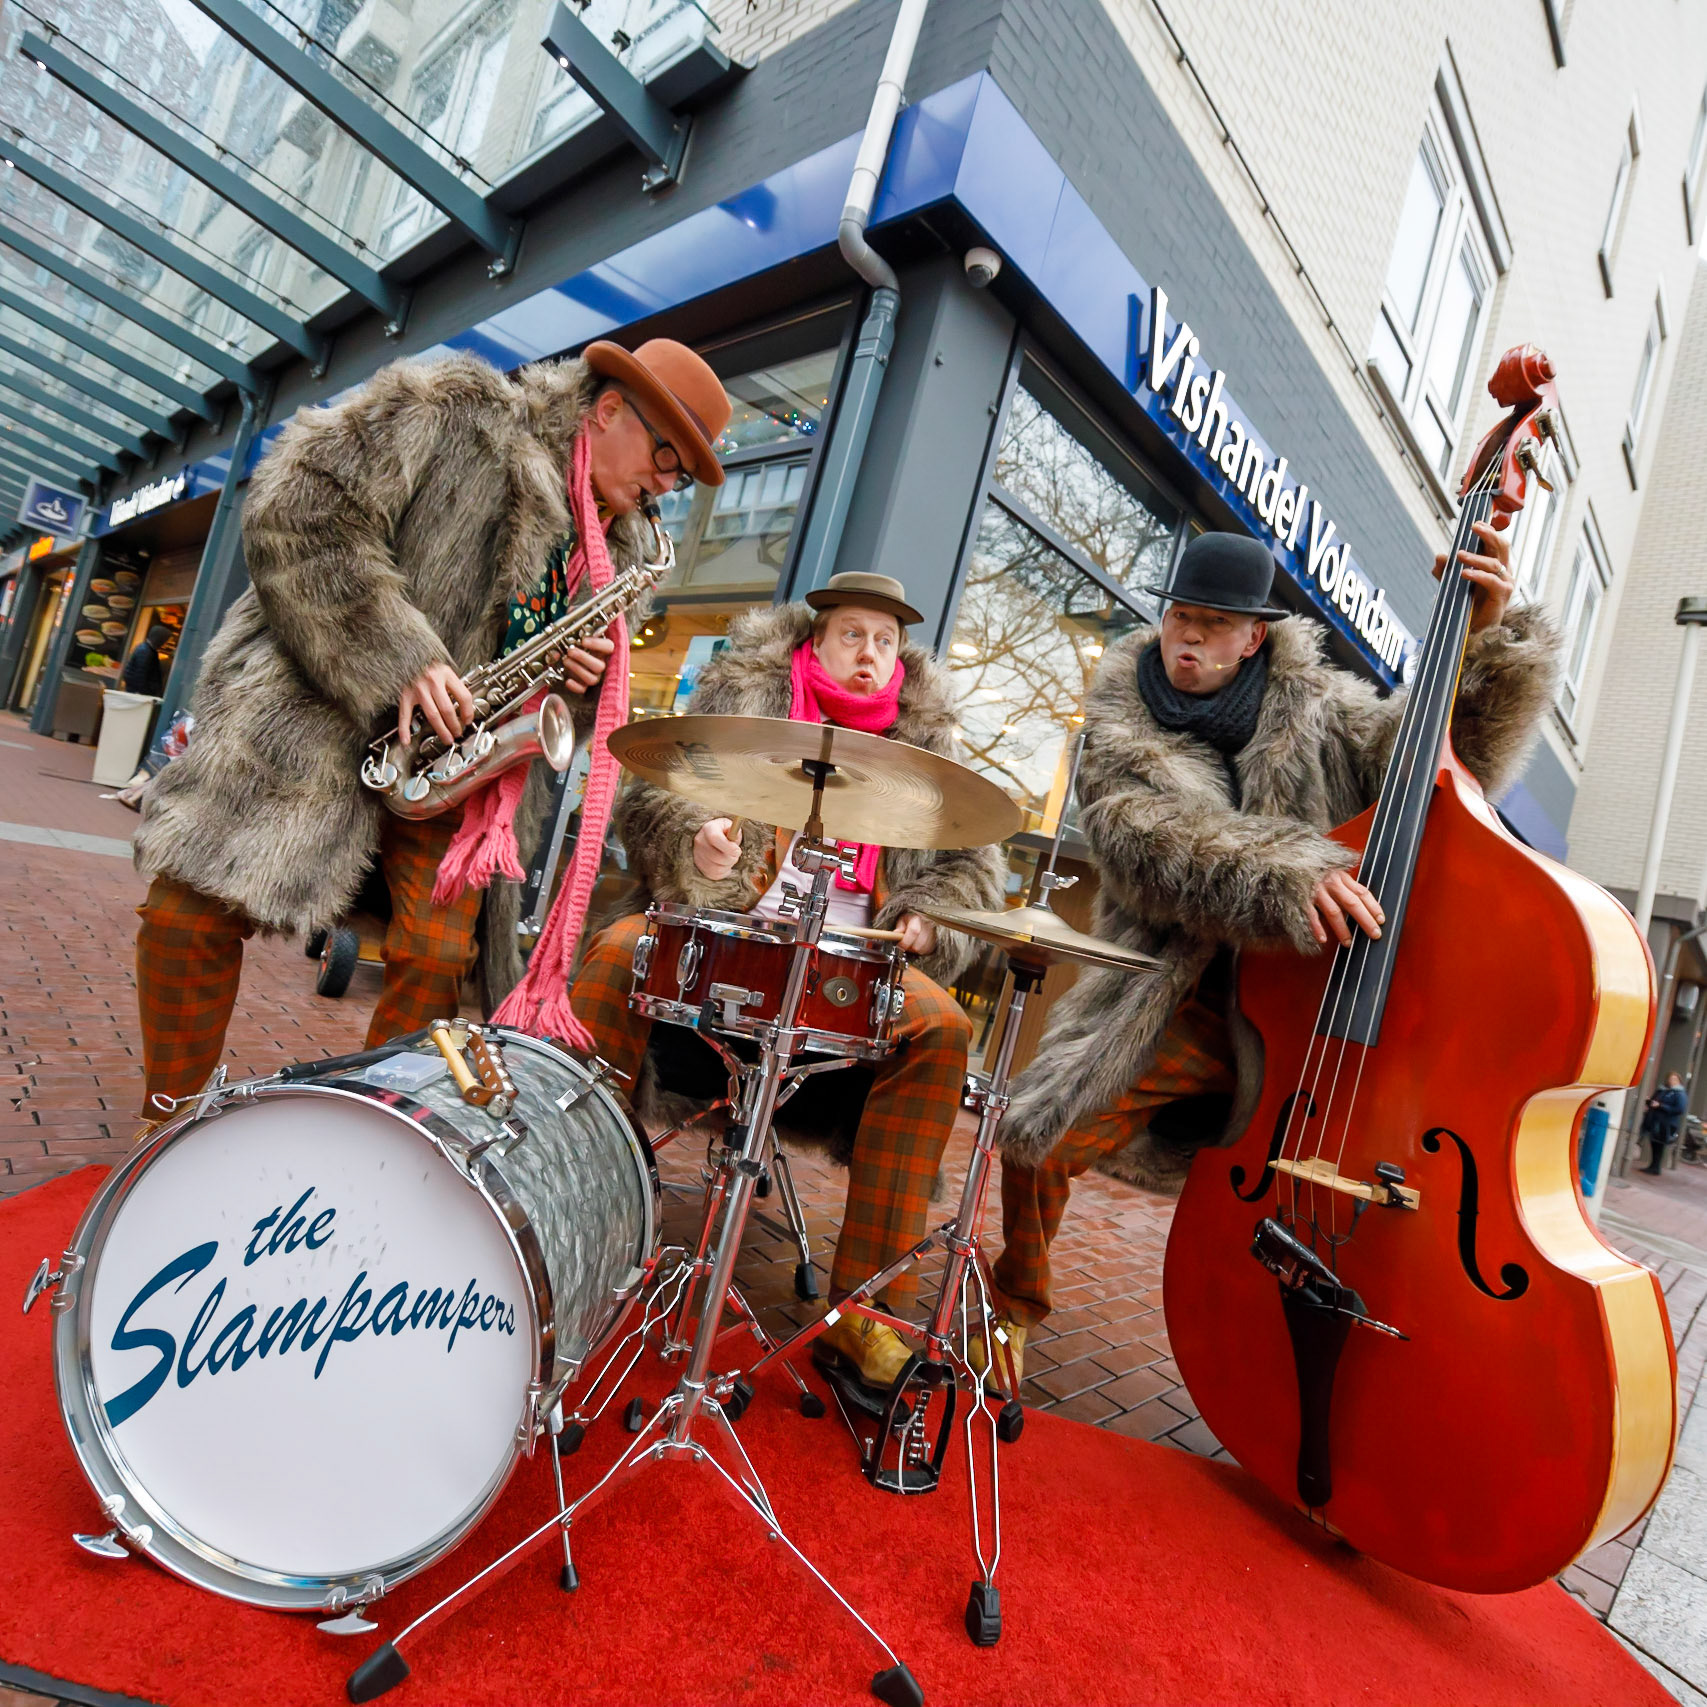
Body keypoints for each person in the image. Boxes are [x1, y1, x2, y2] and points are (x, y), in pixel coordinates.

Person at [984, 527, 1562, 1384]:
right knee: (1041, 1136)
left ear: (1252, 636)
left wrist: (1483, 643)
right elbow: (1147, 839)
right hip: (1180, 997)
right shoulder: (1117, 723)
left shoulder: (1319, 705)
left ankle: (1339, 1366)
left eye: (1213, 624)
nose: (1187, 636)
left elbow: (1437, 766)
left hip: (1310, 1006)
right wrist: (1288, 870)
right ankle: (1013, 1307)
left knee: (1356, 1192)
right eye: (1181, 614)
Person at [130, 338, 731, 1129]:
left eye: (680, 477)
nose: (664, 485)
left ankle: (369, 1131)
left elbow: (558, 712)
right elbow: (296, 507)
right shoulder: (455, 407)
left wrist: (576, 685)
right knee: (186, 915)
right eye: (664, 454)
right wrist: (399, 655)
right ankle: (169, 1114)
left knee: (440, 960)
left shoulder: (620, 557)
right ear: (609, 407)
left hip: (458, 769)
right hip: (315, 718)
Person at [568, 571, 1004, 1403]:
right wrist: (696, 845)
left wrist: (928, 918)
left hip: (849, 970)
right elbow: (653, 793)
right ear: (814, 641)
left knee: (942, 1026)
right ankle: (575, 1212)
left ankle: (868, 1317)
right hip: (728, 939)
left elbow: (970, 873)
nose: (870, 653)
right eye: (852, 635)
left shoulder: (929, 752)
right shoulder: (747, 697)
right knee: (620, 950)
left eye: (885, 641)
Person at [1641, 1072, 1689, 1174]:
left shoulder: (1679, 1094)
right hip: (1655, 1120)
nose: (1671, 1081)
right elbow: (1654, 1101)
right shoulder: (1662, 1090)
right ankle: (1653, 1166)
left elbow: (1679, 1109)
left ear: (1679, 1081)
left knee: (1659, 1145)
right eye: (1670, 1079)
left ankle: (1656, 1167)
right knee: (1653, 1143)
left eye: (1674, 1079)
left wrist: (1661, 1106)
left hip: (1665, 1123)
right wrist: (1649, 1101)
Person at [121, 624, 172, 697]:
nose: (164, 643)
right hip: (137, 693)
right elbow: (140, 674)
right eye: (164, 640)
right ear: (159, 639)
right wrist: (144, 692)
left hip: (136, 691)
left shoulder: (146, 649)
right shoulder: (146, 651)